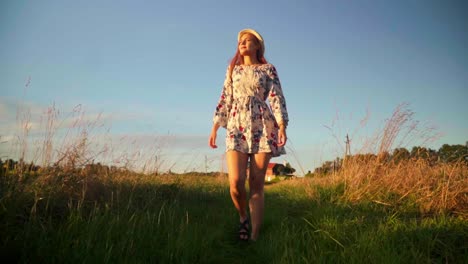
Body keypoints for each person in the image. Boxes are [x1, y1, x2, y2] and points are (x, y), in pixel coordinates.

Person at [208, 28, 289, 241]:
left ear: (257, 46)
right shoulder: (232, 69)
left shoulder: (268, 69)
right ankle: (243, 216)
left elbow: (276, 97)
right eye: (240, 41)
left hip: (263, 125)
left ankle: (254, 236)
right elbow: (225, 97)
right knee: (235, 181)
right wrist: (216, 126)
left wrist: (281, 125)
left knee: (256, 183)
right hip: (236, 126)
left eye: (248, 40)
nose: (242, 43)